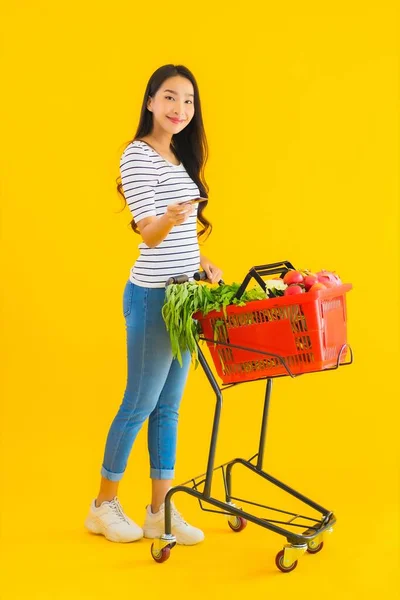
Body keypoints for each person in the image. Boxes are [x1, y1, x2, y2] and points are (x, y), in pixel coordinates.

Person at [84, 64, 223, 545]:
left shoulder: (176, 157)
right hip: (152, 297)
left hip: (183, 296)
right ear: (149, 101)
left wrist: (201, 259)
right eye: (169, 98)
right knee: (138, 404)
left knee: (169, 408)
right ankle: (102, 506)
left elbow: (179, 231)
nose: (179, 109)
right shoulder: (137, 156)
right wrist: (167, 216)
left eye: (188, 101)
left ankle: (159, 510)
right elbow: (148, 231)